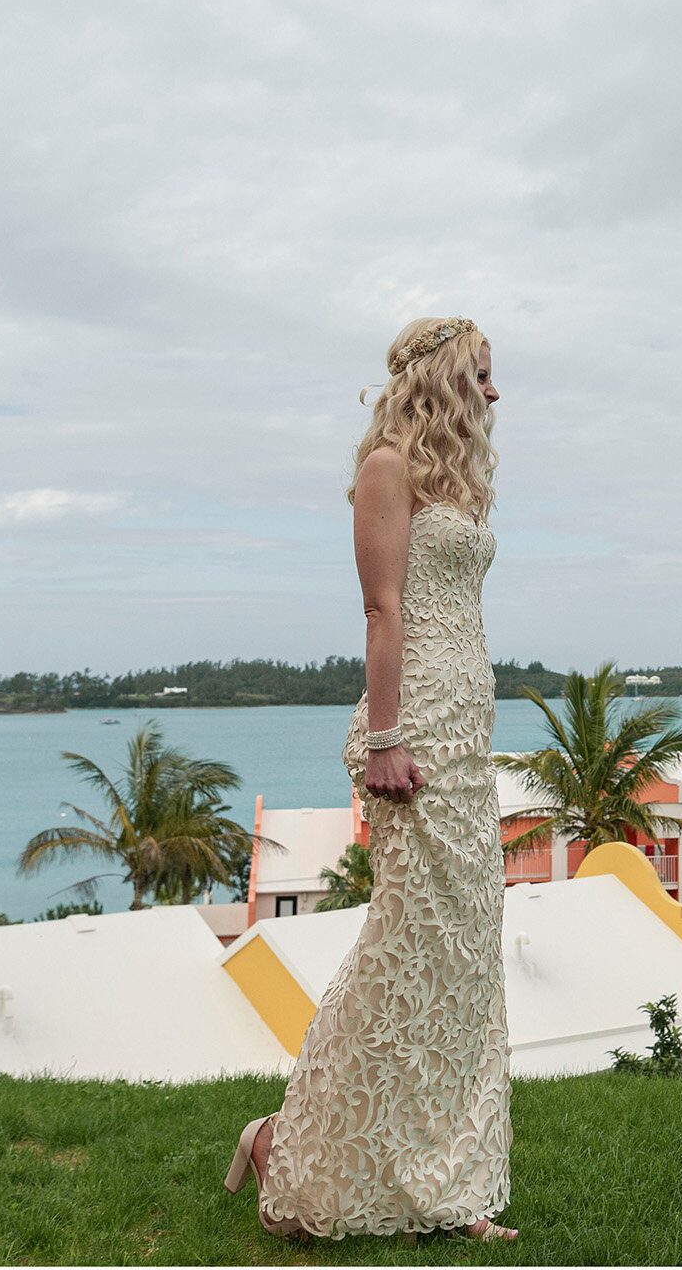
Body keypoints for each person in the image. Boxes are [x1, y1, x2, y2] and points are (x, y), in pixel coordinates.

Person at [224, 315, 518, 1242]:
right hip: (414, 735)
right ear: (439, 376)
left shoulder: (459, 482)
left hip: (469, 737)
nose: (495, 390)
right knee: (408, 949)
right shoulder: (386, 469)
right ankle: (285, 1139)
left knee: (464, 965)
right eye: (481, 372)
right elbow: (382, 610)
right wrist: (385, 736)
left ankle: (442, 1179)